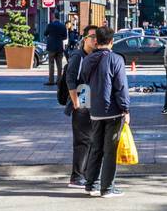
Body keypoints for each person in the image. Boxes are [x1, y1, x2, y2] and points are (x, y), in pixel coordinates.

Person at [80, 26, 130, 198]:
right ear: (111, 41)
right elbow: (121, 87)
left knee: (96, 148)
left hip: (94, 110)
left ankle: (90, 184)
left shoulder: (87, 60)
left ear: (96, 41)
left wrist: (85, 105)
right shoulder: (116, 59)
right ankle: (107, 188)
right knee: (110, 150)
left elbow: (84, 83)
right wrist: (125, 109)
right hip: (113, 111)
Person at [63, 23, 98, 190]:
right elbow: (70, 79)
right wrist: (75, 101)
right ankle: (76, 177)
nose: (96, 40)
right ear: (85, 39)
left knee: (90, 140)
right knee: (82, 140)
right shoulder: (78, 56)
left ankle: (84, 174)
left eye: (97, 37)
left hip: (90, 101)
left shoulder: (94, 55)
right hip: (81, 100)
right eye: (92, 37)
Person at [45, 15, 68, 86]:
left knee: (51, 64)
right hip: (59, 47)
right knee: (59, 64)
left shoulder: (50, 25)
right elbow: (65, 37)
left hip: (51, 47)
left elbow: (45, 33)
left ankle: (51, 80)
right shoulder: (62, 26)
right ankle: (59, 80)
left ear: (53, 18)